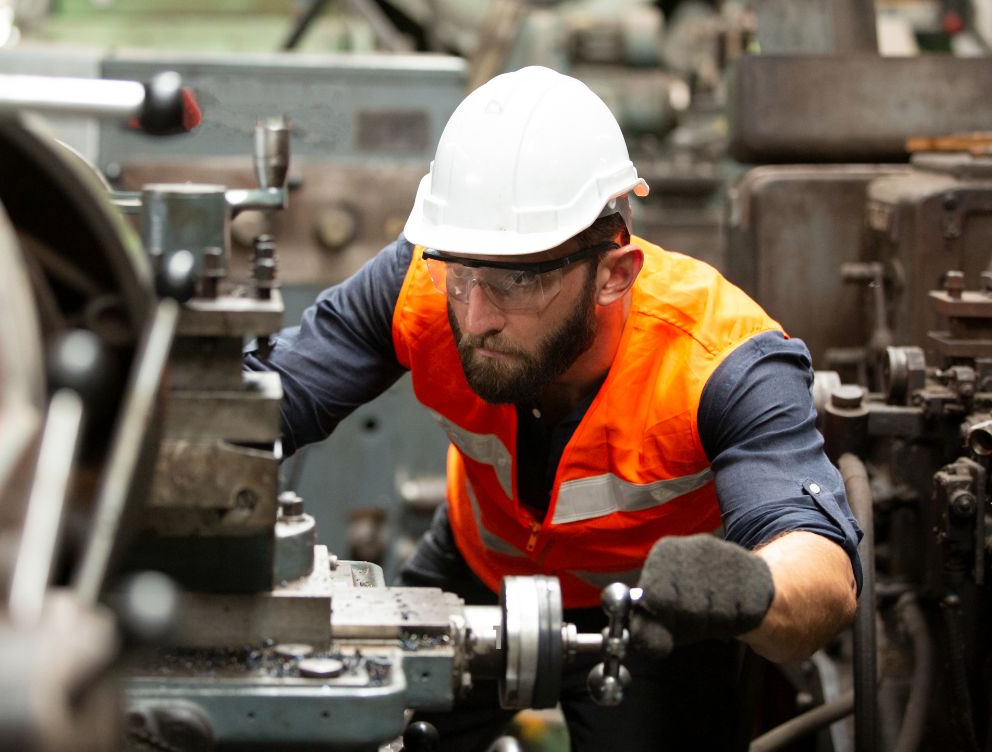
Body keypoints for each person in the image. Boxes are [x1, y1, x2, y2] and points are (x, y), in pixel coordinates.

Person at [245, 66, 862, 751]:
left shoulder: (722, 362)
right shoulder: (421, 284)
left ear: (613, 273)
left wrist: (749, 588)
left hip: (654, 616)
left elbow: (823, 575)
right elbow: (263, 399)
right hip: (474, 572)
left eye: (519, 279)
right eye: (461, 272)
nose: (476, 316)